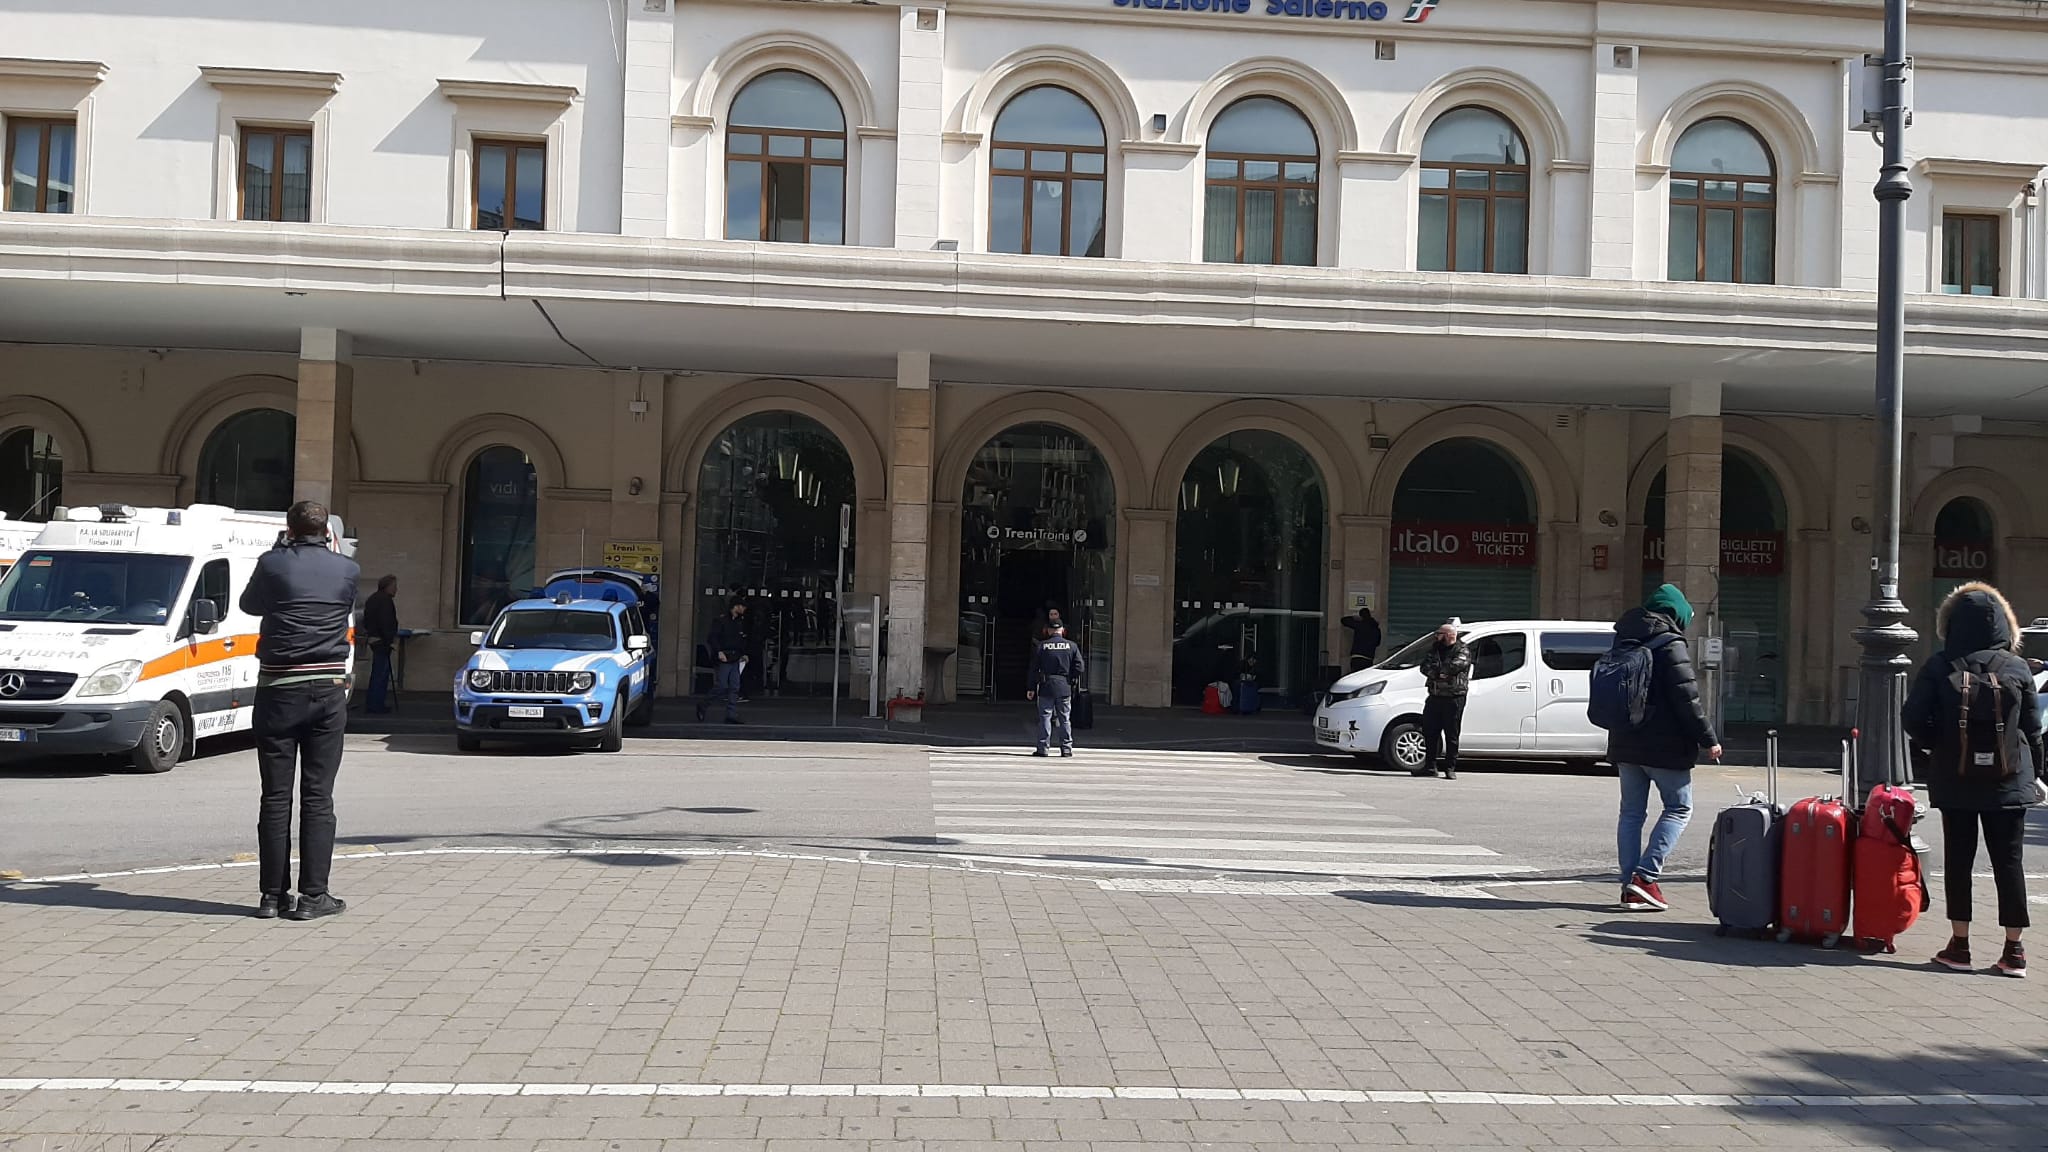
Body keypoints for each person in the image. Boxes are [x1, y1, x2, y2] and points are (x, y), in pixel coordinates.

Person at [1904, 581, 2041, 978]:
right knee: (2009, 862)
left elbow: (1912, 718)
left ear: (1949, 623)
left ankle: (1959, 945)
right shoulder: (2016, 667)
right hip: (2009, 779)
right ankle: (2014, 950)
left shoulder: (1940, 665)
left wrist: (1938, 745)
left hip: (1956, 777)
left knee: (1959, 860)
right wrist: (2034, 773)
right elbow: (2033, 729)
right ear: (2003, 625)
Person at [240, 500, 359, 922]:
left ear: (289, 530)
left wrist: (279, 555)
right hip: (327, 689)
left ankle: (272, 896)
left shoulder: (272, 563)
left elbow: (249, 604)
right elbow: (341, 603)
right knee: (318, 795)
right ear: (326, 532)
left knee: (275, 796)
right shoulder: (348, 569)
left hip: (278, 688)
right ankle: (313, 896)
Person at [1608, 583, 1722, 913]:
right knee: (1679, 808)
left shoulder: (1623, 638)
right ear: (1676, 614)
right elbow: (1688, 699)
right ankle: (1645, 878)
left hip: (1626, 740)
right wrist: (1709, 739)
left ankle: (1629, 885)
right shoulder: (1670, 643)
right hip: (1664, 744)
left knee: (1631, 813)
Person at [1418, 621, 1471, 779]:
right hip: (1435, 696)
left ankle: (1450, 767)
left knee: (1451, 733)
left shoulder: (1462, 649)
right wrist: (1438, 673)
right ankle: (1430, 767)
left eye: (1439, 634)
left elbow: (1454, 667)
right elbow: (1424, 667)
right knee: (1430, 732)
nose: (1437, 636)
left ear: (1449, 635)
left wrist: (1439, 671)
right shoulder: (1435, 649)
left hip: (1454, 697)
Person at [1026, 620, 1085, 757]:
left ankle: (1043, 748)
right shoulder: (1072, 646)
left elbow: (1033, 669)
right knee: (1064, 718)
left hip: (1046, 685)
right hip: (1064, 686)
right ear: (1063, 630)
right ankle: (1066, 748)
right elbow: (1080, 667)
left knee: (1045, 718)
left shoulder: (1042, 646)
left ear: (1048, 630)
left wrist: (1031, 687)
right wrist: (1070, 678)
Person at [697, 597, 749, 724]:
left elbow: (741, 640)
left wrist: (743, 653)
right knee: (722, 686)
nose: (744, 609)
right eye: (742, 606)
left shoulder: (739, 622)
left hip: (735, 657)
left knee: (734, 686)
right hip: (724, 657)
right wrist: (719, 651)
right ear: (736, 606)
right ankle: (703, 704)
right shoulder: (721, 621)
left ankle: (731, 715)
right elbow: (712, 637)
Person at [362, 575, 399, 714]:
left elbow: (366, 620)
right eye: (394, 586)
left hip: (374, 638)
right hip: (382, 641)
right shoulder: (385, 601)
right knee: (381, 674)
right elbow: (386, 622)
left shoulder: (373, 598)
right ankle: (376, 704)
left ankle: (373, 703)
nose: (396, 589)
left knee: (378, 672)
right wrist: (389, 640)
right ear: (387, 587)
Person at [1341, 608, 1383, 672]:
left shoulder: (1360, 625)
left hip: (1357, 656)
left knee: (1356, 675)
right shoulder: (1376, 629)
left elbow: (1344, 620)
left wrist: (1354, 617)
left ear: (1361, 616)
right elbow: (1378, 643)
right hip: (1369, 657)